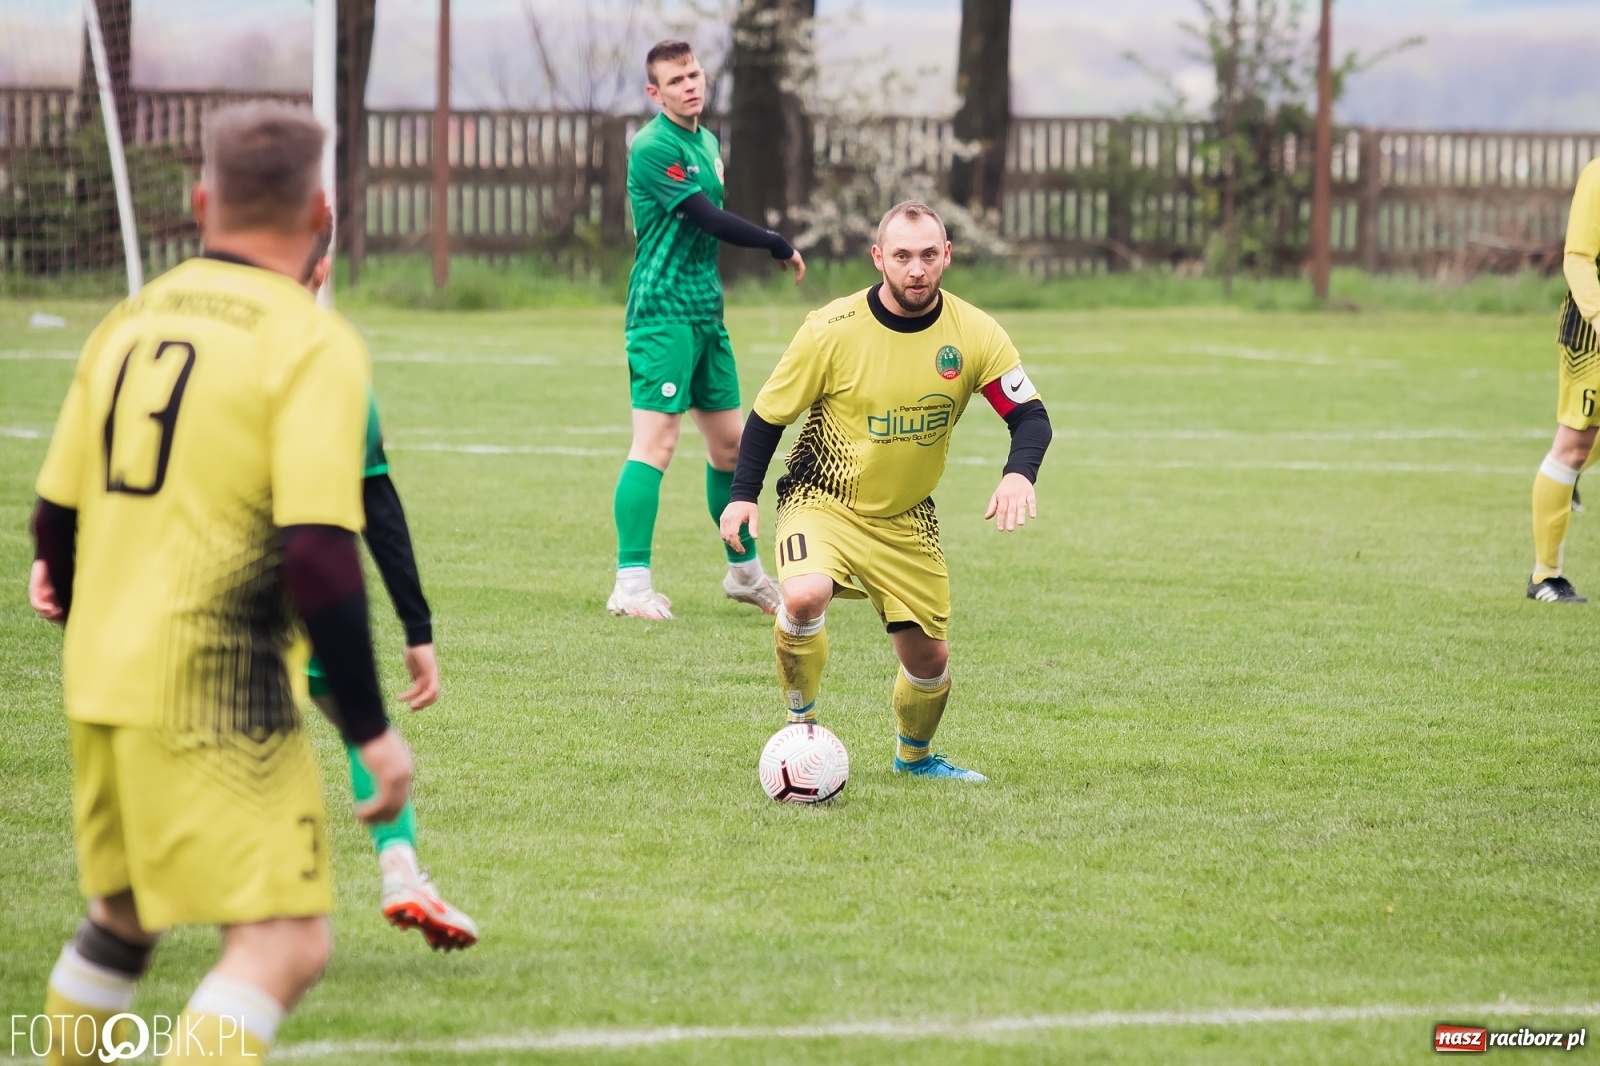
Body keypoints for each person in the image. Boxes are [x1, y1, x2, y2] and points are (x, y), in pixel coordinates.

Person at [27, 101, 410, 1065]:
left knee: (121, 918)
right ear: (322, 209)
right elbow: (320, 551)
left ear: (201, 199)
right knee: (284, 942)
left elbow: (52, 521)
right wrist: (371, 729)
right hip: (216, 694)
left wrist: (83, 606)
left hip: (98, 680)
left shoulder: (129, 318)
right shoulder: (310, 341)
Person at [720, 201, 1053, 781]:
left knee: (930, 663)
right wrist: (743, 493)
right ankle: (802, 728)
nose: (916, 270)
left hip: (906, 518)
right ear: (879, 259)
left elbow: (1029, 416)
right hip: (820, 498)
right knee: (802, 597)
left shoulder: (974, 333)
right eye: (902, 256)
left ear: (947, 255)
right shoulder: (830, 329)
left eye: (928, 255)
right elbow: (769, 415)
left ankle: (915, 759)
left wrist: (1018, 472)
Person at [299, 237, 477, 951]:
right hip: (306, 584)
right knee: (357, 722)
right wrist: (416, 626)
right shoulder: (330, 355)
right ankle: (399, 867)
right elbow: (376, 501)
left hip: (183, 597)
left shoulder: (163, 324)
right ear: (320, 268)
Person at [608, 38, 806, 620]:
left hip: (704, 312)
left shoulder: (706, 141)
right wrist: (775, 241)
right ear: (655, 93)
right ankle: (631, 583)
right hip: (662, 311)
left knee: (731, 447)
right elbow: (706, 218)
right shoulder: (653, 146)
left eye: (694, 75)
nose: (690, 85)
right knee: (657, 444)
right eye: (676, 81)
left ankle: (743, 574)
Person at [1528, 154, 1600, 603]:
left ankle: (1566, 479)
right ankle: (1545, 577)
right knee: (1575, 442)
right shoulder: (1598, 175)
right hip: (1591, 334)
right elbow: (1577, 259)